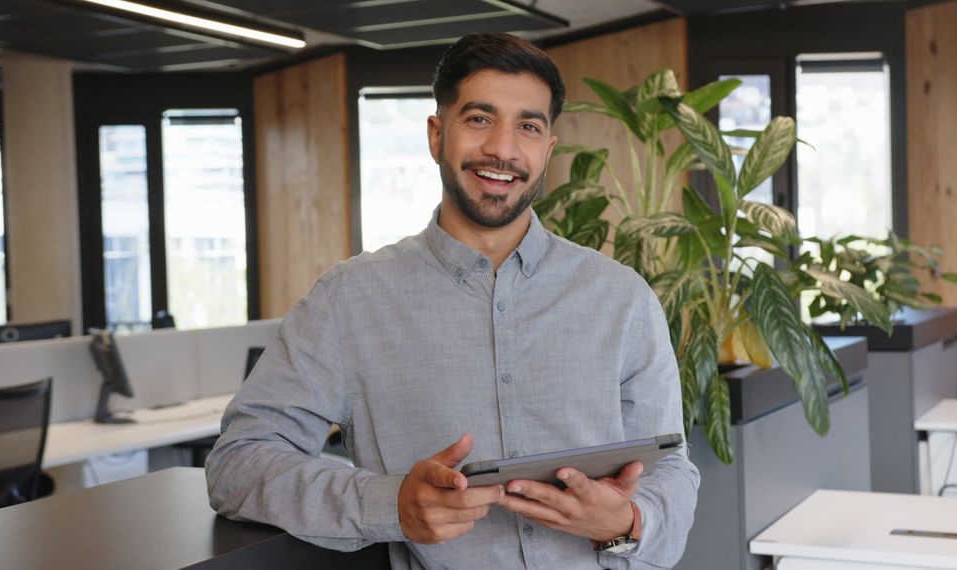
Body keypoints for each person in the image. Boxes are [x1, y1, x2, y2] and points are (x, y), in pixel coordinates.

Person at [205, 32, 699, 569]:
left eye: (528, 127)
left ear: (548, 149)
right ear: (437, 135)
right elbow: (239, 463)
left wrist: (626, 523)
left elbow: (671, 470)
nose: (503, 150)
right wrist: (388, 504)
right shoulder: (348, 301)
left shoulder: (621, 298)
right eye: (479, 119)